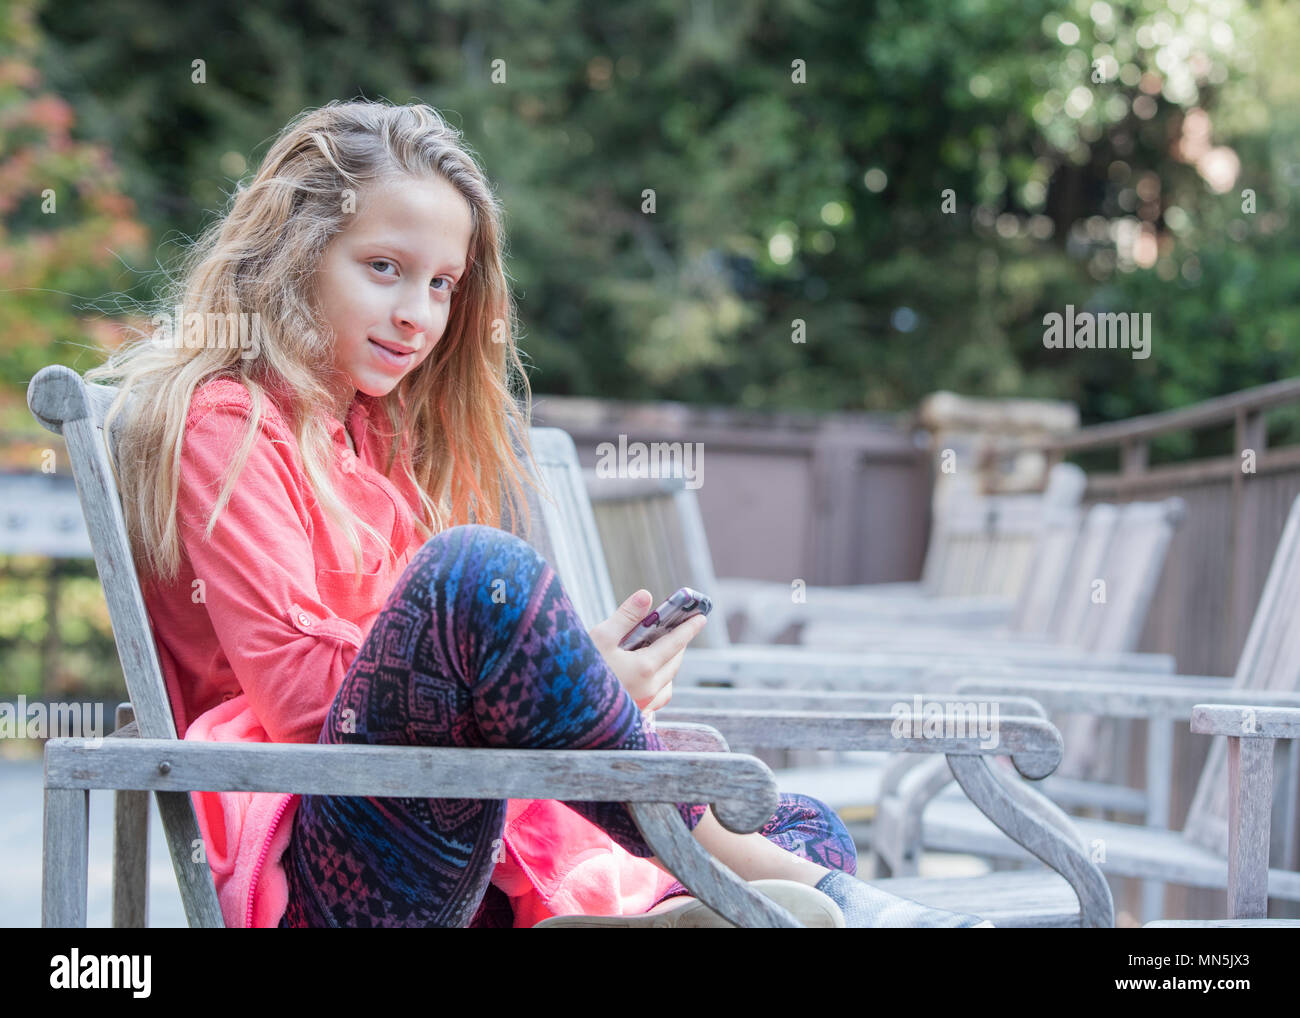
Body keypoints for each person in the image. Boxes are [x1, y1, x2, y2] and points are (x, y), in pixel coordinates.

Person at [87, 98, 992, 928]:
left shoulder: (369, 442)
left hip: (456, 837)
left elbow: (428, 692)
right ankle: (733, 868)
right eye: (385, 269)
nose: (418, 315)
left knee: (803, 821)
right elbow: (295, 701)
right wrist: (534, 698)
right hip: (336, 864)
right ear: (292, 253)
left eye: (443, 285)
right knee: (476, 574)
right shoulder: (225, 422)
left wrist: (567, 690)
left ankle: (664, 896)